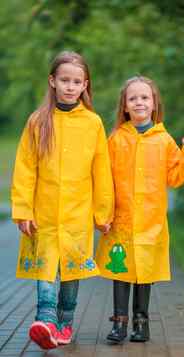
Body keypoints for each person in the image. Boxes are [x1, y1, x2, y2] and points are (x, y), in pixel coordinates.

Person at [11, 51, 113, 350]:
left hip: (77, 215)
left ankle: (65, 323)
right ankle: (45, 321)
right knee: (44, 268)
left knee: (71, 272)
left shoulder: (93, 123)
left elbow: (101, 171)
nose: (70, 86)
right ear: (52, 81)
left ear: (85, 86)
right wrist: (22, 209)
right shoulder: (38, 121)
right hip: (43, 214)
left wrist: (103, 213)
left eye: (76, 81)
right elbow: (25, 169)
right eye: (64, 80)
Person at [96, 76, 184, 343]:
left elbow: (175, 177)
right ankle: (119, 323)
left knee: (144, 274)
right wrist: (103, 215)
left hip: (151, 223)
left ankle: (142, 324)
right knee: (121, 271)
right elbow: (104, 179)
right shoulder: (116, 139)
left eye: (144, 97)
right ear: (125, 106)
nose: (139, 102)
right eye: (133, 98)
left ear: (154, 104)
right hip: (122, 221)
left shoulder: (164, 140)